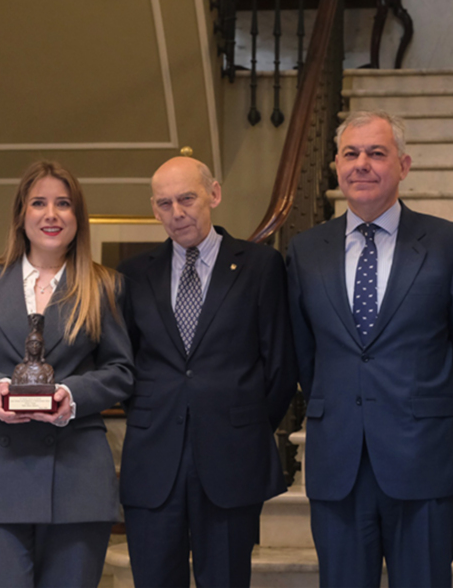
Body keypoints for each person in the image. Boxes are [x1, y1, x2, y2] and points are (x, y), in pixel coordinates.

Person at [287, 110, 453, 587]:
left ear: (403, 165)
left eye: (376, 153)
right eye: (350, 154)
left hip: (425, 461)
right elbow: (306, 355)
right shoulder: (305, 251)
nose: (362, 164)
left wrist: (448, 434)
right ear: (336, 165)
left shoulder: (450, 244)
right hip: (339, 463)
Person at [0, 160, 134, 588]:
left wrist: (71, 396)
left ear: (78, 217)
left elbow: (120, 371)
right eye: (39, 203)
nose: (51, 214)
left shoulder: (105, 285)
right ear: (21, 214)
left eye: (64, 204)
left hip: (76, 479)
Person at [118, 156, 297, 588]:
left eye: (187, 199)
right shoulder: (133, 274)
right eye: (164, 204)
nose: (177, 213)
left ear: (213, 194)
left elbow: (279, 365)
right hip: (153, 459)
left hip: (233, 458)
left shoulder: (260, 266)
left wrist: (243, 423)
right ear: (154, 209)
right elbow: (123, 363)